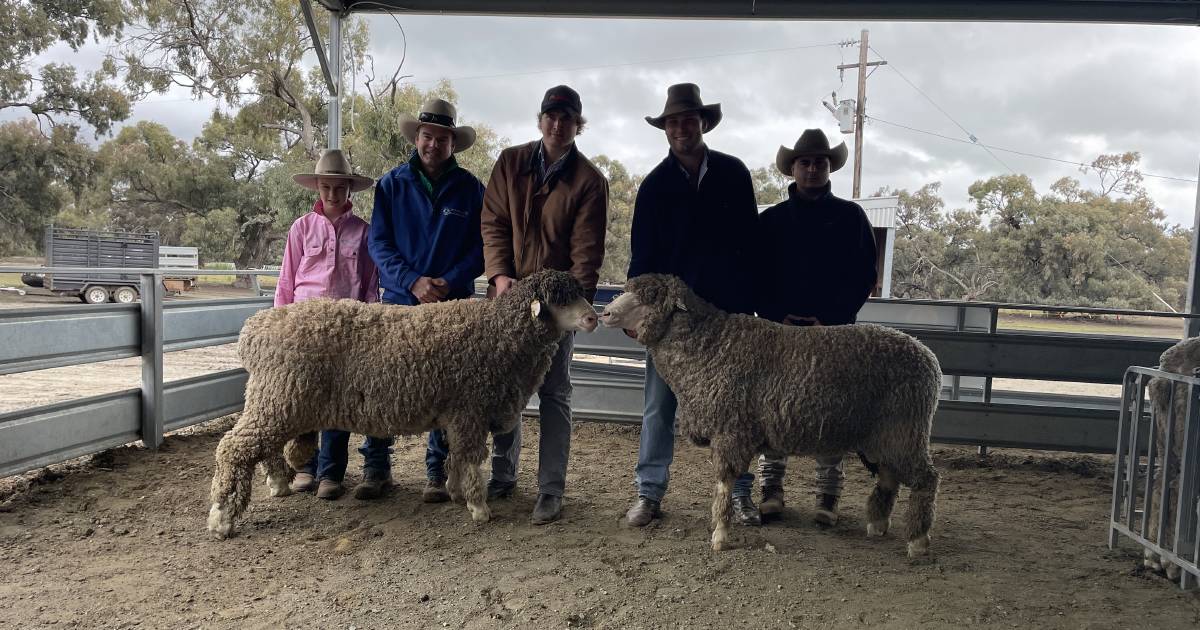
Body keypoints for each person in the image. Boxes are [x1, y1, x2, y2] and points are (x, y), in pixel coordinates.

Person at [623, 83, 759, 527]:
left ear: (703, 123)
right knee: (658, 404)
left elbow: (749, 246)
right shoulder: (655, 187)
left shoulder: (735, 175)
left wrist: (746, 307)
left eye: (689, 119)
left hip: (726, 320)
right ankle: (649, 493)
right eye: (673, 121)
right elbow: (642, 261)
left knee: (736, 407)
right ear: (665, 129)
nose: (682, 127)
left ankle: (739, 492)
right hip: (672, 325)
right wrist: (640, 314)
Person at [480, 84, 608, 525]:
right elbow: (494, 221)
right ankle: (503, 474)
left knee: (554, 392)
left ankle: (550, 489)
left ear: (578, 125)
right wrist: (499, 276)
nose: (558, 124)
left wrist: (567, 308)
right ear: (540, 120)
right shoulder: (510, 162)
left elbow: (586, 254)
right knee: (505, 388)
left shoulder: (589, 181)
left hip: (554, 309)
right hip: (507, 299)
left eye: (567, 117)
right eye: (551, 116)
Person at [744, 128, 878, 525]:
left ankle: (828, 493)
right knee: (773, 409)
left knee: (831, 407)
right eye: (806, 162)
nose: (813, 168)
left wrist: (832, 317)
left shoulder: (852, 218)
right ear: (793, 169)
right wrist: (773, 312)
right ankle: (771, 488)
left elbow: (862, 276)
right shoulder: (770, 221)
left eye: (820, 162)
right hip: (778, 332)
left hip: (832, 334)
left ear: (828, 166)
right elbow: (754, 275)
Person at [368, 98, 485, 504]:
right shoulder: (391, 185)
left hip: (452, 309)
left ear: (453, 143)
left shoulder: (471, 189)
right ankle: (376, 466)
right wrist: (413, 281)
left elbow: (482, 248)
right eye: (427, 136)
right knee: (383, 383)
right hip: (400, 301)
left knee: (447, 388)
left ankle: (437, 472)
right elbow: (378, 244)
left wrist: (449, 282)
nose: (433, 144)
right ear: (416, 138)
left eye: (441, 138)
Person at [279, 149, 384, 501]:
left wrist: (369, 321)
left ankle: (331, 472)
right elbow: (287, 279)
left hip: (346, 327)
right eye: (327, 187)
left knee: (339, 400)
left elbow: (370, 282)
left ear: (349, 190)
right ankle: (303, 468)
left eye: (339, 188)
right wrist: (282, 322)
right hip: (305, 325)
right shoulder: (301, 228)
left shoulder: (363, 232)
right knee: (304, 396)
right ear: (318, 188)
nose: (333, 194)